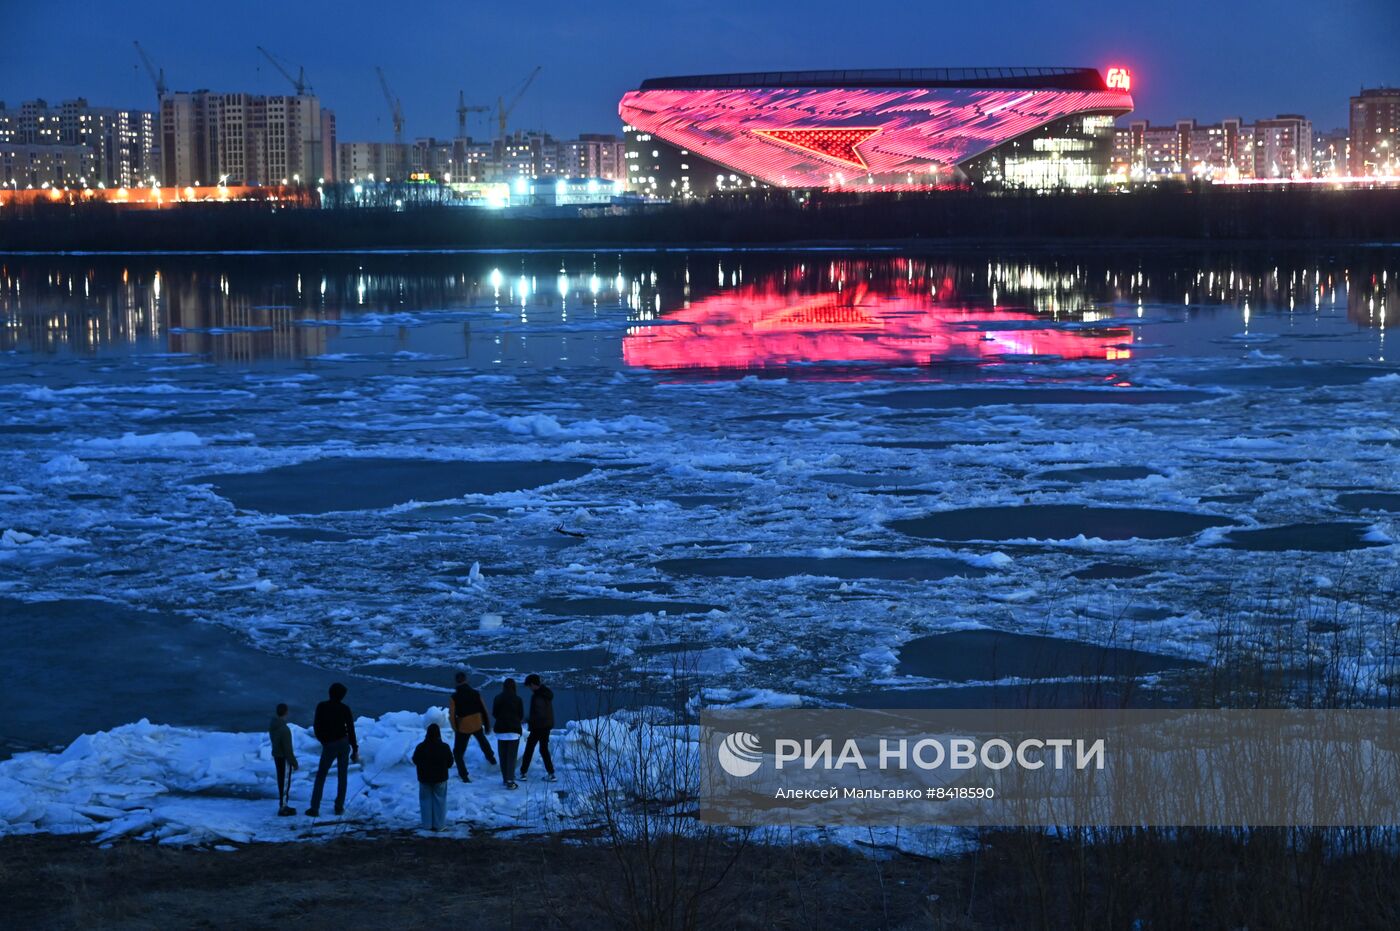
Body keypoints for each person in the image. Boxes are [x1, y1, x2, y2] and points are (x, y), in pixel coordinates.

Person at [307, 682, 359, 817]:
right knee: (342, 776)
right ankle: (339, 806)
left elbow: (317, 726)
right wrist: (354, 748)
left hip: (329, 744)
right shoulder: (345, 709)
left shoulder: (322, 706)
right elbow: (351, 729)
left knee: (321, 775)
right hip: (343, 743)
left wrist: (323, 741)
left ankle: (314, 808)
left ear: (330, 693)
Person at [448, 672, 496, 782]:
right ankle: (491, 759)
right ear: (466, 680)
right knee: (482, 740)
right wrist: (487, 725)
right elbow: (483, 709)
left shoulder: (454, 697)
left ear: (456, 682)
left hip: (464, 726)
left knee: (458, 752)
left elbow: (452, 715)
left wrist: (456, 729)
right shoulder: (476, 693)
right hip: (477, 722)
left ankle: (464, 776)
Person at [411, 723, 453, 831]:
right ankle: (439, 826)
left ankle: (427, 825)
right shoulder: (445, 747)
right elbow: (450, 763)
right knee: (440, 801)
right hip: (440, 779)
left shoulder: (421, 747)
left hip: (424, 779)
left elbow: (415, 760)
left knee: (425, 801)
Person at [520, 674, 556, 782]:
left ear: (532, 684)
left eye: (529, 686)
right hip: (546, 725)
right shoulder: (546, 693)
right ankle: (551, 773)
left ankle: (523, 773)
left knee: (530, 748)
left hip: (539, 726)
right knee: (543, 749)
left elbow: (539, 713)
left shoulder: (538, 696)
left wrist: (526, 720)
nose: (530, 689)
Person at [492, 678, 524, 789]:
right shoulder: (518, 699)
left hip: (501, 731)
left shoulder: (497, 698)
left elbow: (495, 713)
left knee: (503, 756)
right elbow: (521, 715)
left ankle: (505, 778)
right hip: (514, 731)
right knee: (511, 757)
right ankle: (510, 780)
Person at [268, 703, 299, 815]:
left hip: (277, 756)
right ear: (286, 712)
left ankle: (283, 804)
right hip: (284, 758)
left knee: (281, 781)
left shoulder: (273, 725)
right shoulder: (285, 730)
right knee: (285, 782)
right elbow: (288, 750)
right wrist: (294, 762)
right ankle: (283, 807)